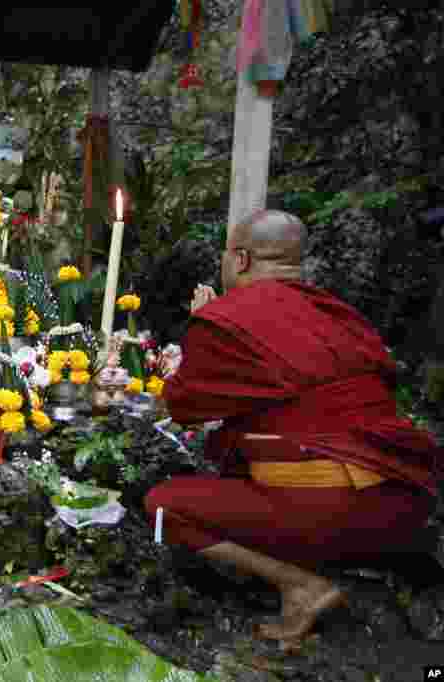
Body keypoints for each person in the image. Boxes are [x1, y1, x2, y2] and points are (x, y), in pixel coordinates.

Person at [145, 209, 440, 651]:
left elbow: (182, 406)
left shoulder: (228, 319)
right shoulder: (340, 314)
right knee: (246, 465)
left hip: (334, 509)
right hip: (407, 503)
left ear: (240, 260)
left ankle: (301, 587)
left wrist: (205, 326)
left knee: (164, 506)